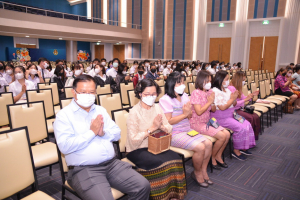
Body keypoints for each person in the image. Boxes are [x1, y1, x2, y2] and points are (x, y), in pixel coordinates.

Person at [53, 74, 150, 200]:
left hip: (111, 164)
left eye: (91, 92)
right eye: (83, 92)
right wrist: (91, 133)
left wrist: (103, 133)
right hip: (84, 169)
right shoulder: (64, 116)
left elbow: (117, 133)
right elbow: (65, 147)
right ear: (74, 92)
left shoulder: (100, 110)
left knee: (143, 186)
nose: (88, 95)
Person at [126, 79, 187, 200]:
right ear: (140, 94)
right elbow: (133, 140)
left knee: (175, 158)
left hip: (156, 146)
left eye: (153, 94)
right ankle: (160, 196)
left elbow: (169, 128)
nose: (151, 97)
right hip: (137, 149)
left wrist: (162, 127)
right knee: (159, 164)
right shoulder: (134, 112)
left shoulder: (157, 108)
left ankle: (173, 195)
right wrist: (152, 128)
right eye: (147, 94)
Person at [159, 72, 213, 187]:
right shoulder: (165, 100)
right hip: (174, 133)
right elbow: (168, 121)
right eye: (179, 83)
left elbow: (190, 114)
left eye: (183, 82)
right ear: (172, 84)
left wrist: (188, 114)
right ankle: (197, 173)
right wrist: (185, 114)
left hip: (187, 129)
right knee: (200, 147)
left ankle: (203, 170)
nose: (183, 85)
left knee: (208, 143)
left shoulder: (184, 96)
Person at [210, 70, 256, 161]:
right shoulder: (215, 91)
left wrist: (234, 99)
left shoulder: (227, 89)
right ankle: (236, 150)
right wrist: (232, 99)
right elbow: (222, 107)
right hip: (220, 118)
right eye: (226, 79)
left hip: (232, 114)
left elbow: (234, 104)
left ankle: (243, 147)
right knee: (240, 128)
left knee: (247, 124)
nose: (228, 81)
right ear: (220, 80)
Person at [190, 71, 230, 169]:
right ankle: (212, 158)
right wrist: (210, 101)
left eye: (210, 81)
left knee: (227, 134)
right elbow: (199, 112)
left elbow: (213, 109)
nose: (209, 83)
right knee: (221, 136)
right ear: (201, 81)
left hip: (208, 120)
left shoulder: (210, 92)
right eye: (207, 81)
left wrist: (212, 103)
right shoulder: (196, 93)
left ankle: (218, 155)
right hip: (197, 123)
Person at [229, 71, 261, 140]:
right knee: (250, 118)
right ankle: (247, 139)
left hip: (240, 109)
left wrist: (251, 95)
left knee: (255, 116)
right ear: (239, 79)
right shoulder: (231, 88)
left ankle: (253, 138)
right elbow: (233, 103)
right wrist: (246, 99)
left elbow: (244, 98)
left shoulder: (238, 87)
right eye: (243, 80)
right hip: (234, 111)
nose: (244, 82)